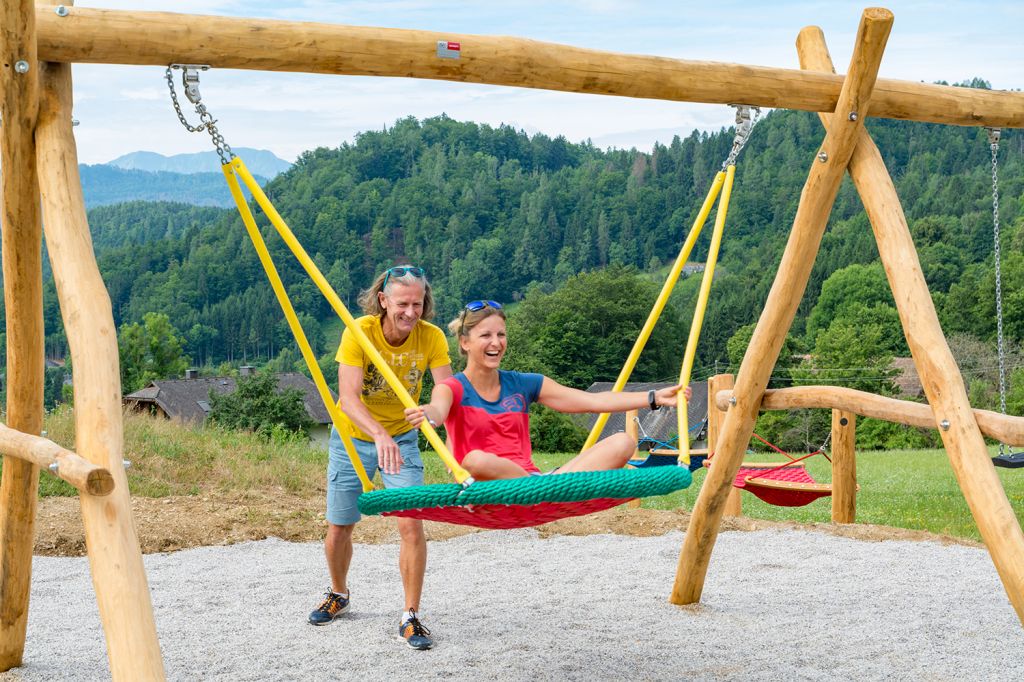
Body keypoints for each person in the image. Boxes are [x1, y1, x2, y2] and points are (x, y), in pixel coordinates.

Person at [308, 265, 451, 651]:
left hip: (402, 439)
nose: (410, 312)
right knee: (340, 525)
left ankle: (410, 615)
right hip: (354, 437)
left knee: (411, 524)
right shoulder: (359, 332)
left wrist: (434, 413)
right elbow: (349, 398)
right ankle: (338, 592)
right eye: (402, 303)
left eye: (417, 304)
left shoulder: (432, 337)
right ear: (383, 300)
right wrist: (378, 433)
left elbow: (446, 390)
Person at [404, 300, 690, 480]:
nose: (496, 343)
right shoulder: (451, 387)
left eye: (501, 334)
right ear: (465, 343)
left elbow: (591, 400)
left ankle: (543, 487)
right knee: (474, 460)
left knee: (623, 443)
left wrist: (653, 397)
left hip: (534, 481)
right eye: (486, 335)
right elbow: (437, 410)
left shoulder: (525, 383)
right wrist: (426, 415)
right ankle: (541, 487)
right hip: (482, 489)